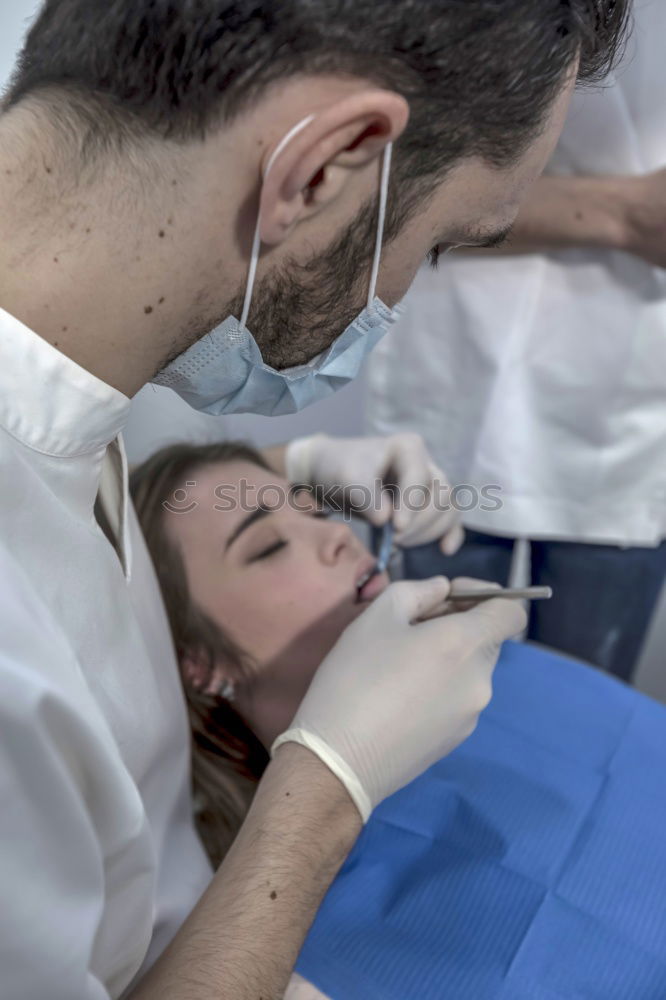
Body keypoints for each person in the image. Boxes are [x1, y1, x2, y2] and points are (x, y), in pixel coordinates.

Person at [0, 3, 629, 998]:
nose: (401, 292)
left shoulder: (70, 349)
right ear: (325, 168)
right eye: (437, 247)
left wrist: (287, 473)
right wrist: (324, 787)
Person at [130, 440, 666, 1000]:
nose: (340, 535)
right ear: (199, 663)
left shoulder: (501, 666)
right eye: (269, 547)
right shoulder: (276, 945)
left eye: (315, 510)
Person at [366, 0, 665, 684]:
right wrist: (627, 215)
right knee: (427, 706)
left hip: (630, 420)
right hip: (454, 387)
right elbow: (391, 182)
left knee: (579, 719)